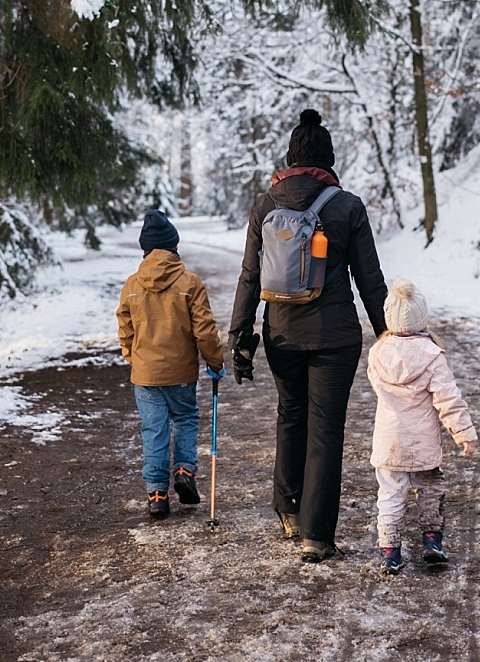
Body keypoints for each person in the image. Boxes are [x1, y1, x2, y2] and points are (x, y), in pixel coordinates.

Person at [228, 108, 388, 562]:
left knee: (290, 416)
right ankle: (317, 535)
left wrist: (240, 336)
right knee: (326, 431)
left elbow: (248, 277)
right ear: (328, 160)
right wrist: (389, 336)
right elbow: (370, 280)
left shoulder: (264, 206)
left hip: (281, 335)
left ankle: (288, 510)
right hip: (335, 339)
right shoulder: (347, 206)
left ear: (290, 158)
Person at [116, 210, 225, 519]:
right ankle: (184, 471)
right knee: (186, 418)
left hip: (146, 374)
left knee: (154, 430)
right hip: (180, 374)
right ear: (174, 246)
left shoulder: (132, 285)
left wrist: (132, 357)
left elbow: (125, 327)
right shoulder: (189, 283)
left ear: (144, 250)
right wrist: (215, 361)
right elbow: (204, 329)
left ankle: (157, 493)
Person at [368, 277, 478, 574]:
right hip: (423, 441)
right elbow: (448, 399)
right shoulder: (432, 356)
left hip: (389, 441)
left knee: (390, 495)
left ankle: (390, 552)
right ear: (421, 318)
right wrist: (464, 434)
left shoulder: (378, 352)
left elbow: (378, 387)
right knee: (430, 489)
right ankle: (432, 540)